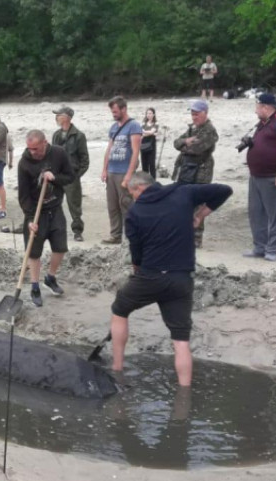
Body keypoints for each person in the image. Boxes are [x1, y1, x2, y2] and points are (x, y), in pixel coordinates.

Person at [105, 172, 233, 386]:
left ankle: (117, 367)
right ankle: (185, 392)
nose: (133, 197)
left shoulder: (135, 213)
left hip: (150, 276)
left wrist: (137, 268)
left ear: (138, 189)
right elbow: (224, 191)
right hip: (181, 279)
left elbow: (136, 252)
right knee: (181, 340)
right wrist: (201, 215)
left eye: (131, 193)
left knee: (120, 309)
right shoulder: (184, 192)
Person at [18, 130, 75, 307]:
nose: (32, 152)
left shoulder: (58, 153)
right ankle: (35, 286)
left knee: (60, 247)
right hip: (36, 212)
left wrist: (54, 178)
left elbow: (70, 177)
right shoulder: (24, 163)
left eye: (35, 148)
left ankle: (50, 278)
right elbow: (23, 195)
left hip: (55, 208)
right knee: (34, 251)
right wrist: (29, 219)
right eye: (29, 149)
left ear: (45, 142)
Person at [243, 94, 276, 262]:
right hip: (256, 176)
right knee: (256, 213)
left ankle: (272, 249)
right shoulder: (262, 123)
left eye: (257, 107)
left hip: (274, 176)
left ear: (266, 107)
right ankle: (259, 247)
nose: (255, 111)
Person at [172, 100, 219, 248]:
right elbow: (176, 143)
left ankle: (196, 238)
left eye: (197, 114)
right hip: (187, 170)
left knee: (198, 205)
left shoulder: (209, 130)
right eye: (192, 114)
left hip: (201, 172)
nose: (194, 117)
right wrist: (186, 141)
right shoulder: (193, 129)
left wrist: (184, 145)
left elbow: (196, 149)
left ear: (205, 113)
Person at [102, 96, 142, 244]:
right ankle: (115, 234)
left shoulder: (134, 126)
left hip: (124, 171)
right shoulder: (113, 128)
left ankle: (130, 236)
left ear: (124, 109)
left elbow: (135, 151)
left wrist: (128, 175)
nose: (114, 114)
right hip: (112, 171)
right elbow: (109, 148)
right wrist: (104, 169)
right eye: (112, 112)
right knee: (112, 205)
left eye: (115, 111)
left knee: (126, 204)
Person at [52, 106, 89, 241]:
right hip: (57, 176)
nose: (56, 117)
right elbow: (52, 155)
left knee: (74, 205)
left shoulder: (79, 136)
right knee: (54, 203)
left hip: (71, 176)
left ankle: (77, 231)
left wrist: (76, 175)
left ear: (67, 117)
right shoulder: (56, 135)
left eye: (58, 115)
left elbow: (85, 160)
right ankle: (55, 230)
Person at [140, 108, 158, 179]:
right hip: (143, 143)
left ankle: (153, 181)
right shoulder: (143, 123)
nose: (149, 115)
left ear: (153, 114)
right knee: (144, 163)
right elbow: (142, 131)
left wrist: (145, 133)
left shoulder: (156, 123)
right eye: (147, 113)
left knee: (152, 163)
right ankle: (145, 181)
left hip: (151, 144)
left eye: (150, 113)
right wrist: (152, 133)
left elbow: (152, 132)